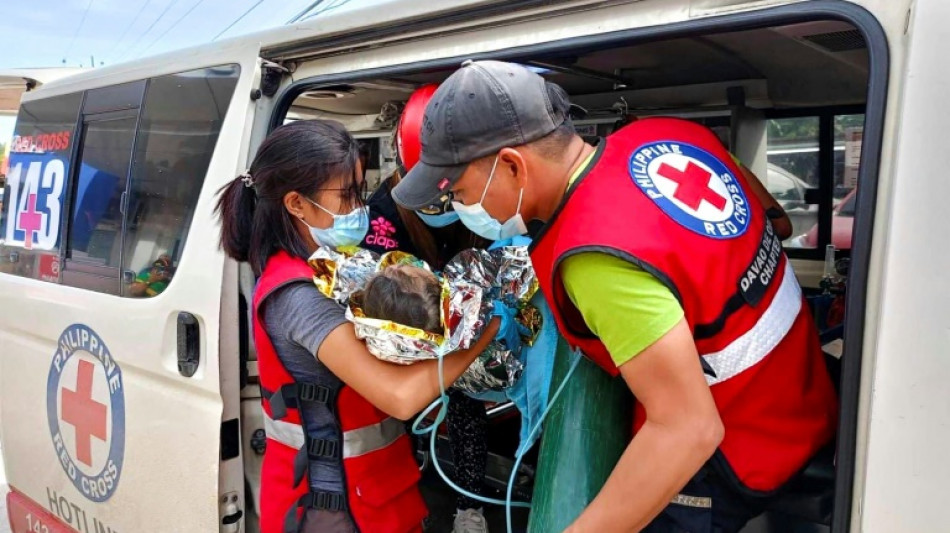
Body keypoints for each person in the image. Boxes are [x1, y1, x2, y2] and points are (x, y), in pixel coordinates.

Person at [392, 60, 838, 533]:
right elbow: (771, 221)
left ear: (511, 165)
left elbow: (687, 429)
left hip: (739, 448)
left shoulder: (594, 255)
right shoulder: (671, 135)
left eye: (461, 192)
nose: (463, 208)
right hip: (805, 393)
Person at [215, 120, 507, 533]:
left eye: (360, 191)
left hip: (376, 494)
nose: (360, 208)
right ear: (297, 204)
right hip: (332, 509)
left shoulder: (331, 268)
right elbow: (401, 398)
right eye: (346, 195)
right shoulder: (297, 295)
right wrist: (487, 328)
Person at [361, 84, 494, 533]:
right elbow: (383, 289)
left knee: (466, 400)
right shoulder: (384, 214)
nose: (444, 201)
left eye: (453, 189)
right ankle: (408, 484)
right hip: (407, 322)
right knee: (402, 409)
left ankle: (469, 506)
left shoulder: (484, 203)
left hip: (463, 318)